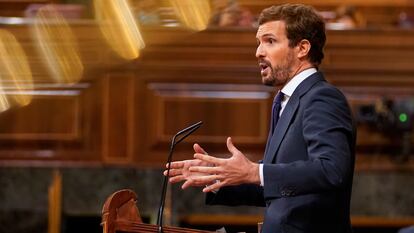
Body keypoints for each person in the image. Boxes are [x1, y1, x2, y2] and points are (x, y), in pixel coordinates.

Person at [165, 3, 356, 233]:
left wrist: (256, 172)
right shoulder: (287, 101)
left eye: (270, 41)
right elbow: (280, 186)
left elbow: (331, 170)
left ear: (302, 48)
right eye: (259, 42)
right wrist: (217, 177)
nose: (258, 52)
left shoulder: (321, 97)